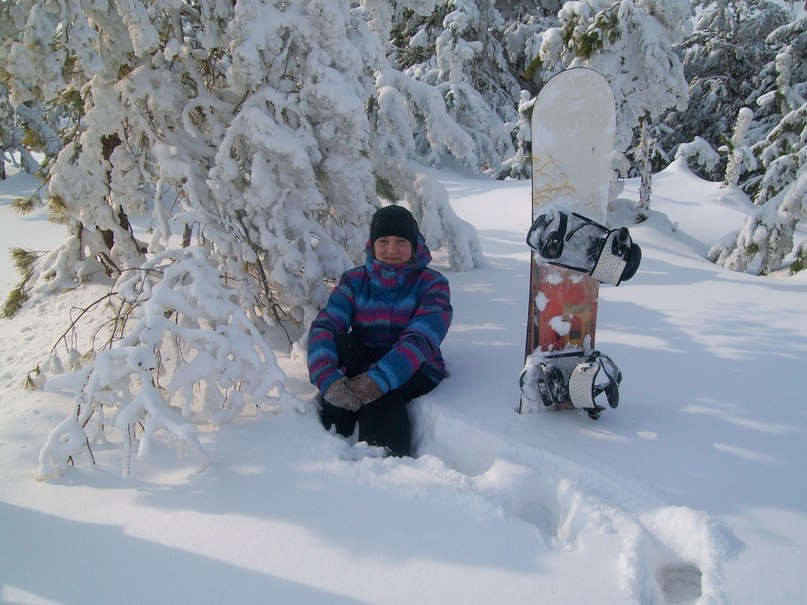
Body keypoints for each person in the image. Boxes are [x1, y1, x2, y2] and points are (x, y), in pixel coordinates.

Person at [307, 205, 452, 457]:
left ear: (414, 245)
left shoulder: (432, 285)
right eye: (383, 241)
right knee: (342, 348)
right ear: (372, 244)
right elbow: (326, 326)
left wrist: (378, 380)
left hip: (417, 367)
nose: (391, 250)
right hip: (366, 357)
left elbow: (420, 340)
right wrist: (327, 378)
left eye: (401, 241)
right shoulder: (354, 281)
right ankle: (330, 439)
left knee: (383, 395)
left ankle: (384, 461)